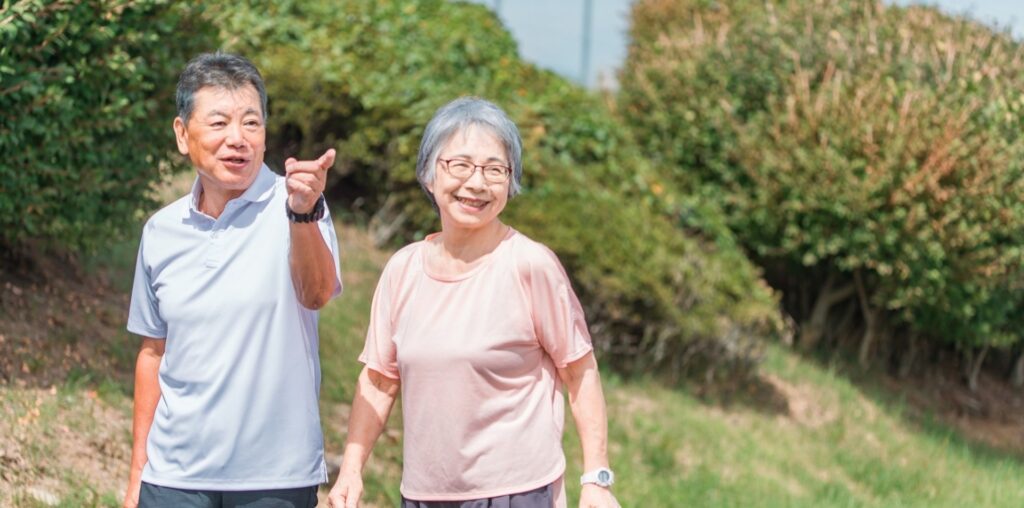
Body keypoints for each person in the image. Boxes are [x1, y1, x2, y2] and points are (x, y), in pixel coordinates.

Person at [327, 97, 619, 508]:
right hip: (423, 494)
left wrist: (597, 479)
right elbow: (378, 381)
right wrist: (351, 470)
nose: (477, 183)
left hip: (516, 493)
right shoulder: (402, 270)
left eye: (494, 169)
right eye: (460, 165)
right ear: (429, 174)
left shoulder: (530, 265)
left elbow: (579, 371)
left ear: (510, 182)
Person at [124, 52, 342, 508]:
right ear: (182, 134)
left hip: (274, 478)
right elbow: (153, 353)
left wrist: (303, 215)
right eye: (219, 123)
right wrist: (137, 474)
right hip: (173, 477)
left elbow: (317, 293)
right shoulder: (161, 230)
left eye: (251, 123)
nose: (237, 139)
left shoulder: (298, 204)